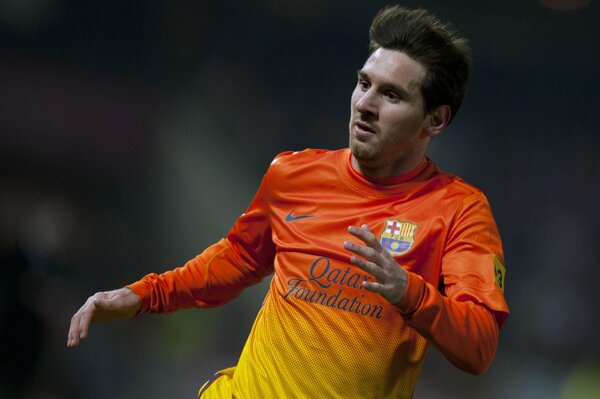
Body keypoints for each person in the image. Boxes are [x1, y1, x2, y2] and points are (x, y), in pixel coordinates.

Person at [68, 5, 509, 398]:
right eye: (363, 84)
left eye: (392, 95)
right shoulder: (294, 173)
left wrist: (410, 293)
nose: (365, 105)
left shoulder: (458, 210)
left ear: (435, 119)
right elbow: (237, 259)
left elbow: (479, 347)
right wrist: (143, 294)